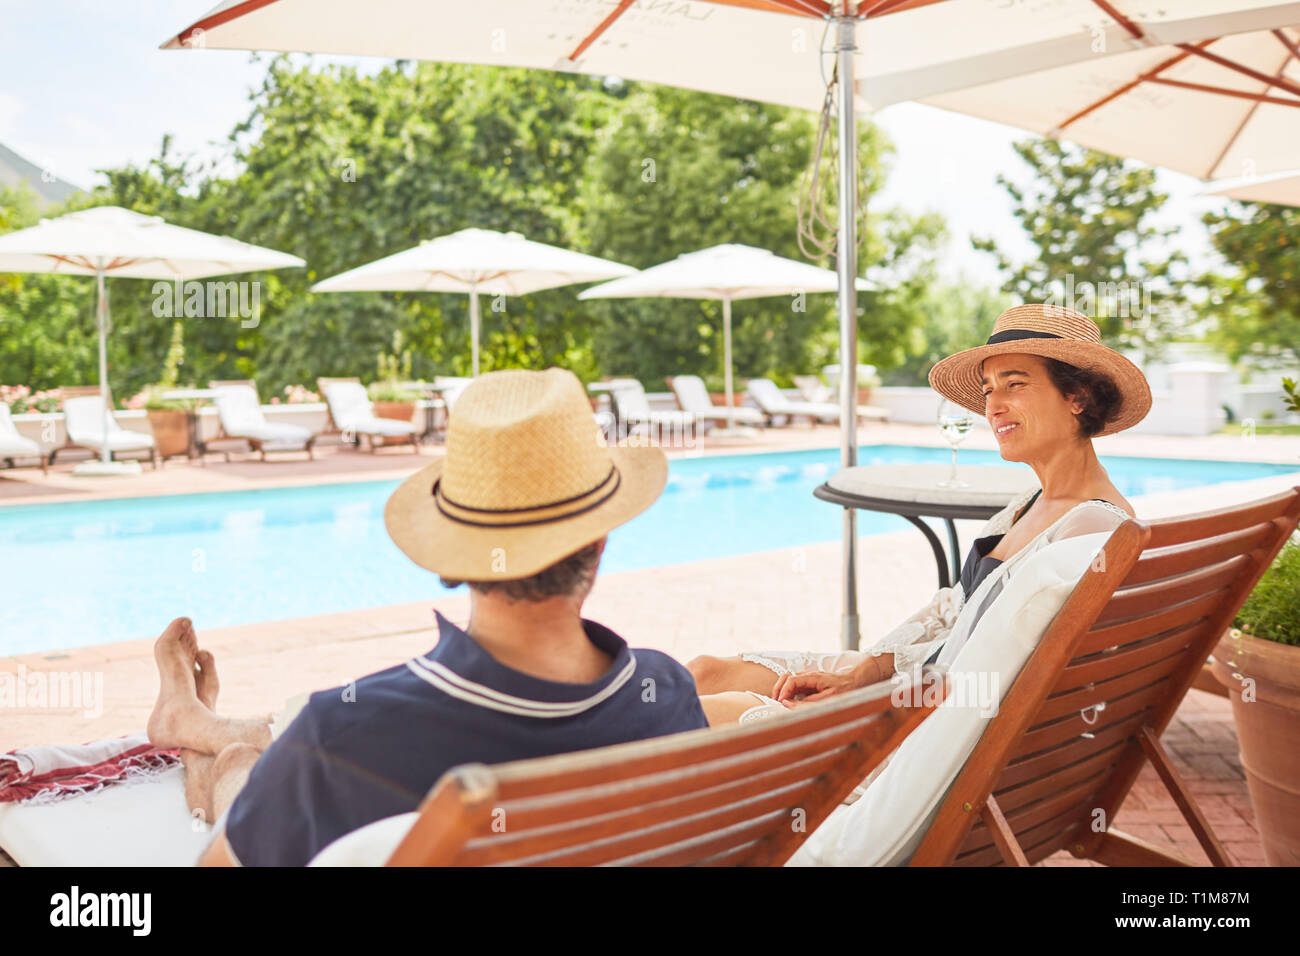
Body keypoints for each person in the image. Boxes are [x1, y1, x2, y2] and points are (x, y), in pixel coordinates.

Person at [145, 367, 708, 866]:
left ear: (452, 559)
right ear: (602, 538)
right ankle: (203, 735)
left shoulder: (343, 736)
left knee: (241, 769)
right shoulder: (668, 697)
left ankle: (210, 754)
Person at [690, 303, 1153, 724]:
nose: (993, 405)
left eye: (1016, 384)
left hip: (924, 725)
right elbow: (950, 610)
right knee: (706, 673)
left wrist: (859, 698)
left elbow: (987, 670)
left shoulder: (1090, 529)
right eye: (989, 389)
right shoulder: (1031, 504)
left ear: (1079, 398)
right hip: (916, 682)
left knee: (712, 716)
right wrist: (860, 674)